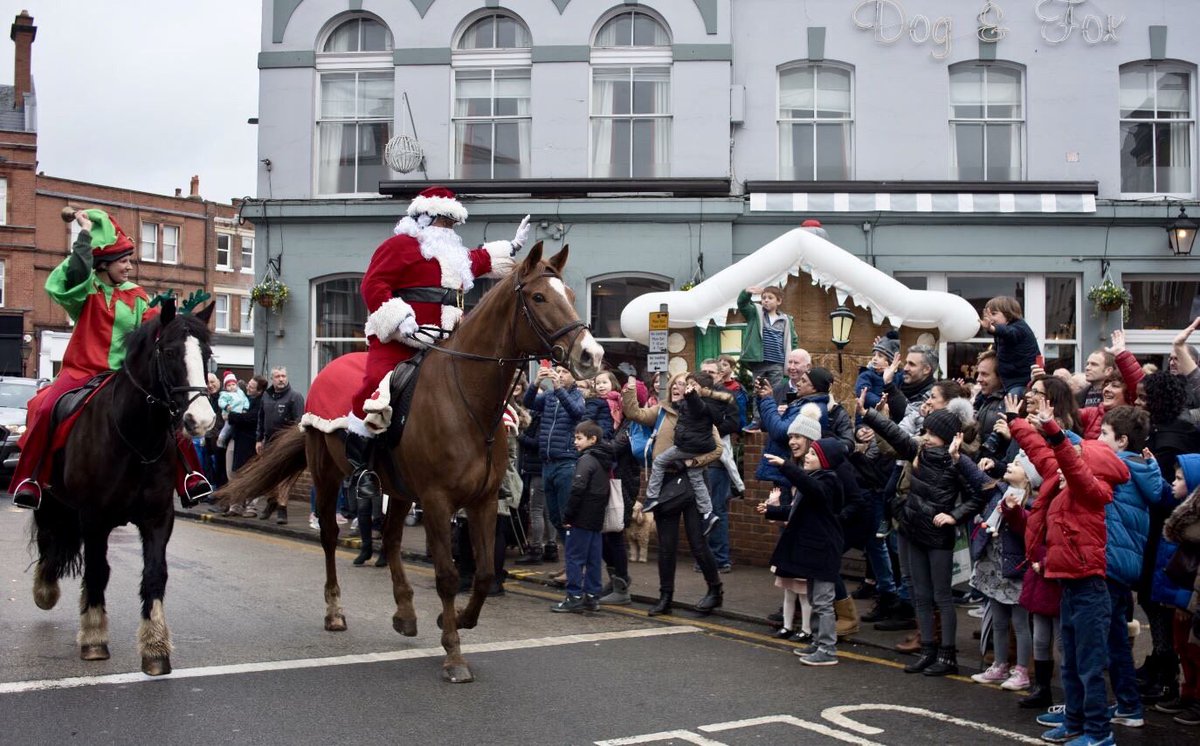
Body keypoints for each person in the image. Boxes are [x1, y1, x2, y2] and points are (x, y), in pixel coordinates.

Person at [10, 209, 210, 509]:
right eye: (123, 261)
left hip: (123, 374)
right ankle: (32, 479)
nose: (129, 267)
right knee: (45, 405)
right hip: (81, 371)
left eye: (130, 260)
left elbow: (161, 325)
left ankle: (190, 476)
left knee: (167, 410)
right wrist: (84, 237)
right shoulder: (86, 291)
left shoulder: (137, 295)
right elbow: (72, 275)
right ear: (103, 264)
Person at [343, 186, 529, 503]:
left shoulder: (453, 255)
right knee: (376, 386)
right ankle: (361, 470)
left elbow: (479, 259)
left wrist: (510, 246)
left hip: (444, 342)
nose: (449, 229)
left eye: (452, 223)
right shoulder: (398, 246)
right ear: (425, 217)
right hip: (399, 340)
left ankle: (487, 472)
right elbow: (373, 284)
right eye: (445, 221)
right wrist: (401, 320)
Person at [1011, 402, 1129, 746]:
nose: (1063, 464)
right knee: (1072, 662)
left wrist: (1054, 431)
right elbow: (1043, 456)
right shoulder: (1064, 483)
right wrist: (1017, 423)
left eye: (1074, 458)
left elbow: (1070, 465)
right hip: (1069, 585)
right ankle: (1074, 722)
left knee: (1090, 666)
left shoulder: (1092, 492)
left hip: (1090, 586)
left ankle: (1098, 732)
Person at [759, 433, 847, 667]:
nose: (807, 457)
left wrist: (786, 466)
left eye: (812, 454)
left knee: (823, 602)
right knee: (815, 599)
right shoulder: (816, 479)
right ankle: (818, 642)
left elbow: (812, 489)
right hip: (813, 551)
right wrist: (770, 511)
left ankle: (827, 649)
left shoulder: (828, 481)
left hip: (824, 550)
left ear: (825, 460)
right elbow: (796, 510)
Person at [640, 373, 729, 537]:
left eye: (691, 384)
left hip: (688, 446)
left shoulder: (697, 403)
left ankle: (651, 498)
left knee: (659, 462)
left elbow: (697, 406)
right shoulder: (704, 404)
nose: (686, 388)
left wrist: (691, 394)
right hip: (697, 448)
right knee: (696, 479)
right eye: (686, 384)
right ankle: (708, 513)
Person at [526, 363, 587, 584]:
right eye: (558, 372)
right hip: (547, 463)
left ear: (574, 377)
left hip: (566, 463)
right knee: (554, 517)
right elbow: (528, 403)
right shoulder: (550, 396)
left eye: (564, 373)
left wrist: (559, 388)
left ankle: (576, 568)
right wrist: (535, 383)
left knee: (566, 517)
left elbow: (577, 413)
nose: (559, 375)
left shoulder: (576, 395)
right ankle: (570, 565)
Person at [550, 421, 613, 613]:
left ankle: (574, 596)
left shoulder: (586, 460)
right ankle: (592, 597)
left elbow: (578, 488)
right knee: (593, 558)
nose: (575, 442)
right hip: (596, 517)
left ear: (592, 439)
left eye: (579, 438)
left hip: (581, 517)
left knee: (574, 558)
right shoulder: (604, 459)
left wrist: (568, 514)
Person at [256, 366, 305, 524]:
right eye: (277, 376)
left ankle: (282, 510)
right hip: (269, 442)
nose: (281, 379)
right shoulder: (266, 396)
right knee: (269, 476)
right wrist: (259, 439)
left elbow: (299, 423)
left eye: (283, 376)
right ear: (272, 379)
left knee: (284, 478)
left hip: (285, 444)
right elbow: (260, 419)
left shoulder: (294, 397)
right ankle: (271, 503)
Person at [736, 285, 797, 391]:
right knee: (759, 391)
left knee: (776, 391)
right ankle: (757, 408)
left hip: (777, 363)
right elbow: (742, 304)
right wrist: (746, 292)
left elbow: (793, 340)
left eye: (770, 298)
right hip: (760, 362)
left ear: (779, 301)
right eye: (763, 298)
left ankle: (773, 408)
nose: (766, 300)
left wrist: (792, 359)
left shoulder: (786, 320)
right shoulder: (755, 314)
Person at [979, 295, 1041, 396]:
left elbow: (1009, 333)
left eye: (993, 314)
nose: (990, 319)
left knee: (1011, 402)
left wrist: (992, 329)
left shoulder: (1020, 327)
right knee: (982, 398)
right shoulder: (1001, 333)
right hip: (1007, 381)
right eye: (987, 315)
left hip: (1022, 382)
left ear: (1008, 314)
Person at [216, 370, 249, 448]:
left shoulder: (240, 392)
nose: (231, 387)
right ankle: (221, 438)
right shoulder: (225, 394)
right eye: (229, 385)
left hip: (240, 413)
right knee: (228, 427)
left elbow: (245, 400)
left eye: (233, 384)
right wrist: (226, 406)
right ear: (225, 387)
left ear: (236, 384)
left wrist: (245, 408)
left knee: (234, 428)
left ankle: (229, 439)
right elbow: (221, 402)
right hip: (229, 413)